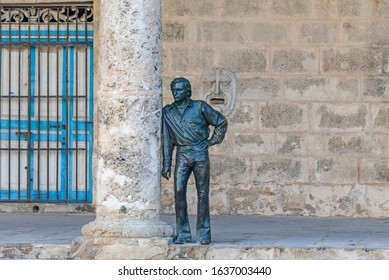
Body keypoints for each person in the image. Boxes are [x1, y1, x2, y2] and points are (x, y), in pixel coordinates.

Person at [162, 77, 228, 245]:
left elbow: (221, 122)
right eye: (174, 90)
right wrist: (166, 164)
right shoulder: (167, 112)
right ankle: (183, 232)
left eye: (179, 90)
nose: (175, 93)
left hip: (199, 153)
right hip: (182, 154)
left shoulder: (199, 107)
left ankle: (204, 233)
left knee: (203, 193)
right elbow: (167, 141)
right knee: (178, 192)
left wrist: (212, 141)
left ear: (188, 91)